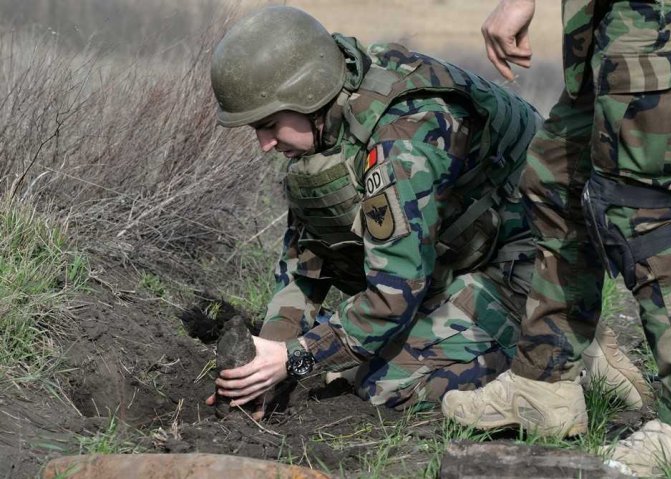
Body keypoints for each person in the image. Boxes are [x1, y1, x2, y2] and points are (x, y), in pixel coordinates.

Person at [204, 5, 645, 418]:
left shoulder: (402, 140)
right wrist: (268, 362)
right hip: (462, 252)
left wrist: (298, 359)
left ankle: (557, 343)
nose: (263, 144)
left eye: (267, 124)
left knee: (384, 385)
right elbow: (305, 267)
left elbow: (393, 296)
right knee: (347, 359)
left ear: (306, 94)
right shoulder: (326, 130)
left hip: (535, 255)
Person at [442, 0, 671, 477]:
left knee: (637, 205)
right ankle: (544, 382)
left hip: (665, 14)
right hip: (612, 18)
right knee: (557, 176)